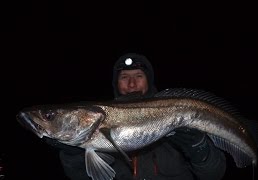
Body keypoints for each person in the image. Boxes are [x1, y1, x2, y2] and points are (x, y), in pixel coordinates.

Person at [45, 52, 227, 180]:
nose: (132, 83)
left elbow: (215, 174)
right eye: (124, 77)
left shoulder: (176, 113)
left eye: (138, 75)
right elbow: (81, 176)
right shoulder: (95, 130)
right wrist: (73, 155)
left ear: (149, 79)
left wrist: (199, 149)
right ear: (116, 83)